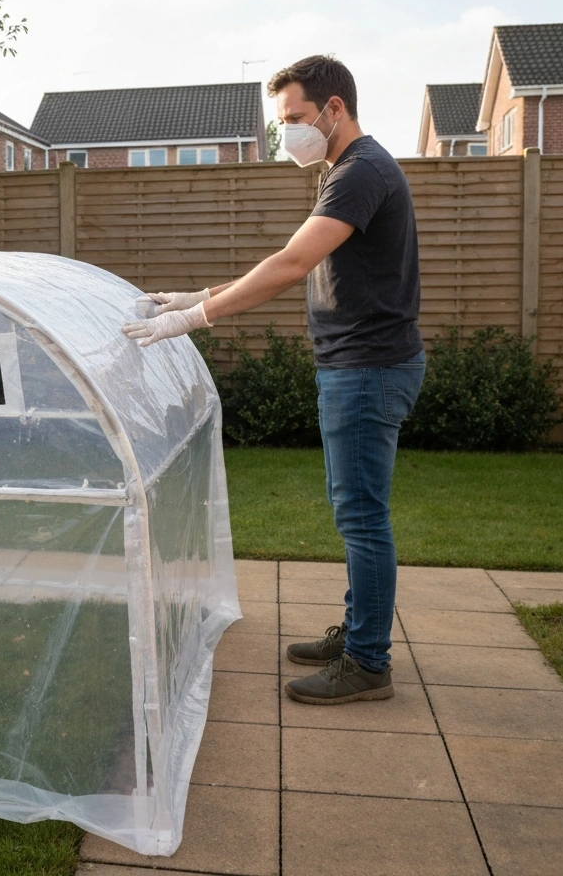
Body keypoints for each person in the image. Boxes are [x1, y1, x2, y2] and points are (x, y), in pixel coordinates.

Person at [122, 54, 425, 704]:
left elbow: (291, 263)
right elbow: (289, 263)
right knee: (357, 512)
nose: (287, 131)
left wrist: (197, 318)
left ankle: (369, 662)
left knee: (363, 516)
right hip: (361, 366)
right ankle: (358, 632)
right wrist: (193, 295)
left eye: (294, 117)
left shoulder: (360, 171)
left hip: (368, 369)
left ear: (334, 108)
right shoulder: (347, 170)